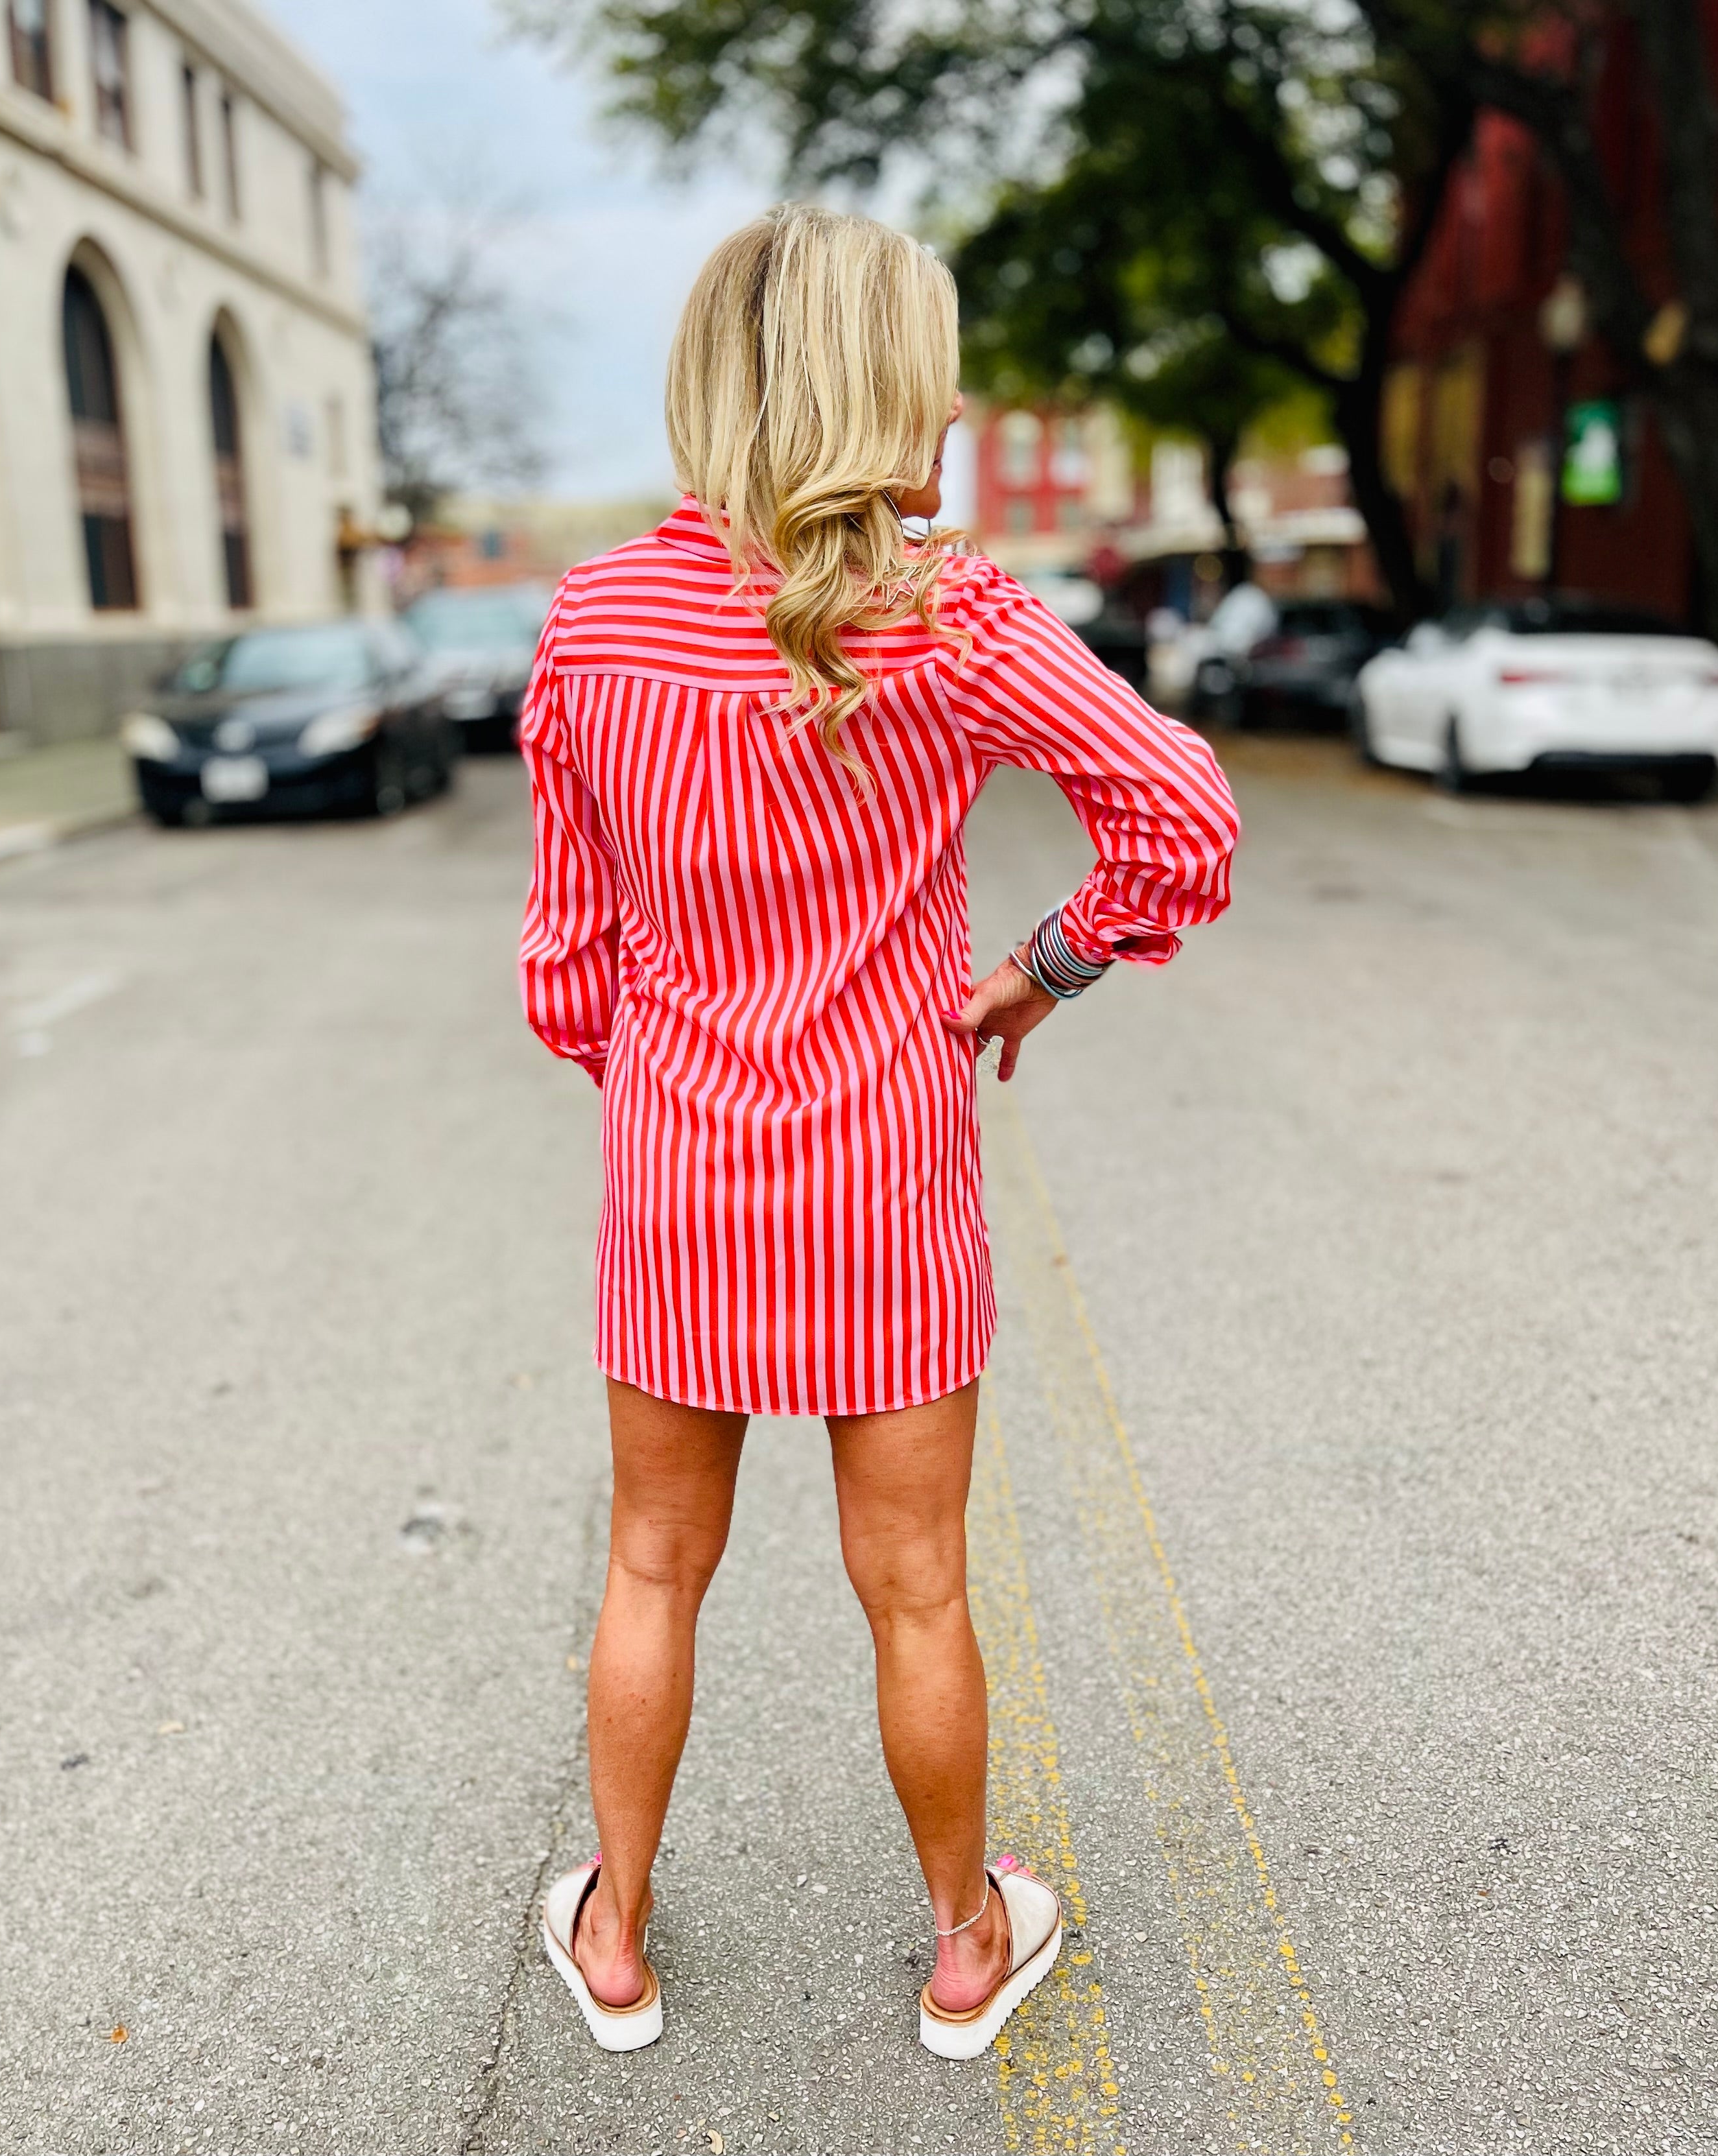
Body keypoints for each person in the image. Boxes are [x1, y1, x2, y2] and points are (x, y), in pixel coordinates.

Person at [519, 204, 1237, 2059]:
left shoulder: (595, 622)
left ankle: (613, 1942)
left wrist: (686, 1093)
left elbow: (568, 971)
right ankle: (964, 1948)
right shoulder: (955, 618)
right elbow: (1182, 823)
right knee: (915, 1584)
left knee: (651, 1565)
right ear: (878, 390)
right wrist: (1043, 974)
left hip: (681, 1179)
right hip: (888, 1182)